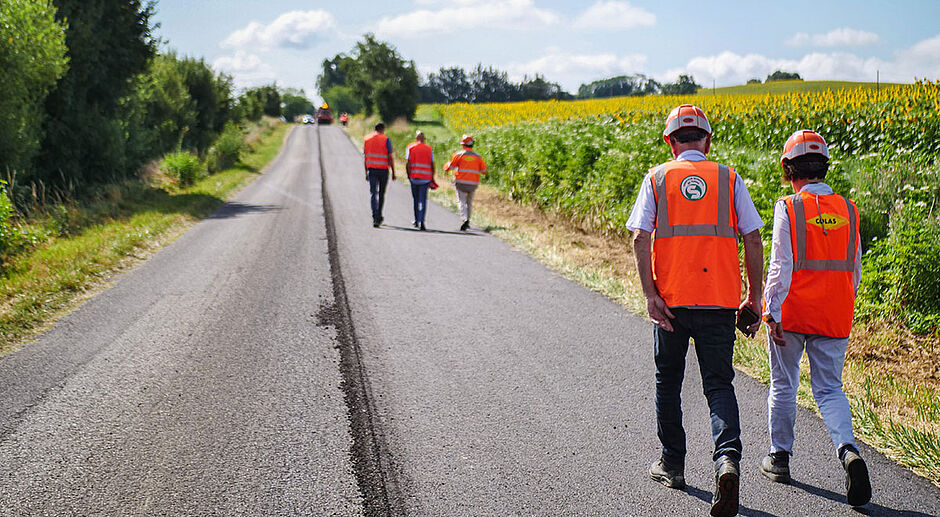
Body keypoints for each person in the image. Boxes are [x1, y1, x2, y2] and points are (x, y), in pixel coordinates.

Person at [626, 105, 764, 517]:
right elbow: (753, 238)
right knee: (719, 385)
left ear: (670, 142)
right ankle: (727, 461)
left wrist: (650, 295)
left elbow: (639, 238)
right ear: (707, 140)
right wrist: (754, 297)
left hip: (670, 302)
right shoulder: (729, 178)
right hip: (719, 301)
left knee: (668, 381)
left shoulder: (656, 178)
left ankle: (672, 464)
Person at [760, 130, 871, 507]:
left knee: (784, 384)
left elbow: (780, 264)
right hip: (834, 312)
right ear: (824, 167)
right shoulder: (849, 209)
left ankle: (779, 458)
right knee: (830, 389)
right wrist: (839, 301)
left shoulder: (789, 207)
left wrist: (771, 310)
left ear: (787, 168)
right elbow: (855, 269)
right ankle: (848, 450)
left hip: (792, 312)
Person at [443, 134, 486, 231]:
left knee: (461, 201)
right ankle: (468, 220)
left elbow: (450, 167)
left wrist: (446, 166)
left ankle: (464, 219)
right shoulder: (478, 157)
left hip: (461, 183)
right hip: (473, 183)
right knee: (469, 203)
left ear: (462, 144)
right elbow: (484, 171)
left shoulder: (458, 155)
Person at [363, 122, 396, 227]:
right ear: (383, 129)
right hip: (383, 170)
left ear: (375, 128)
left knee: (373, 193)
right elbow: (390, 157)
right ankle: (379, 215)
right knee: (381, 194)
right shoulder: (386, 139)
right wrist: (393, 172)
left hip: (372, 169)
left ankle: (375, 216)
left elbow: (366, 157)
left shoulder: (367, 139)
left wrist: (366, 172)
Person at [405, 131, 436, 231]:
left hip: (414, 177)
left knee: (415, 199)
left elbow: (408, 163)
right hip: (425, 178)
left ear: (416, 138)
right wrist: (432, 177)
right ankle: (422, 220)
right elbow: (432, 164)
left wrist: (408, 175)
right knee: (423, 200)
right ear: (424, 139)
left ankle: (416, 219)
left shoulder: (410, 147)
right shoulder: (429, 149)